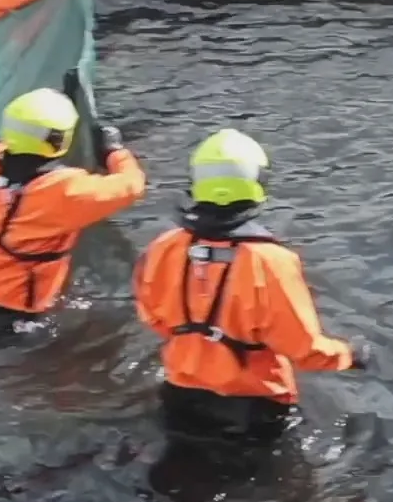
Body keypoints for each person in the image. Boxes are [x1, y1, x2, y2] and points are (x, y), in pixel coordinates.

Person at [132, 128, 368, 442]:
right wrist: (350, 354)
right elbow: (304, 350)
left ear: (196, 182)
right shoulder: (271, 261)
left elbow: (153, 317)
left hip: (181, 395)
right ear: (257, 183)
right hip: (254, 407)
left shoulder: (163, 247)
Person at [0, 87, 147, 338]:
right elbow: (132, 186)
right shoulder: (63, 190)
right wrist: (116, 152)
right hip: (12, 302)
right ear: (59, 139)